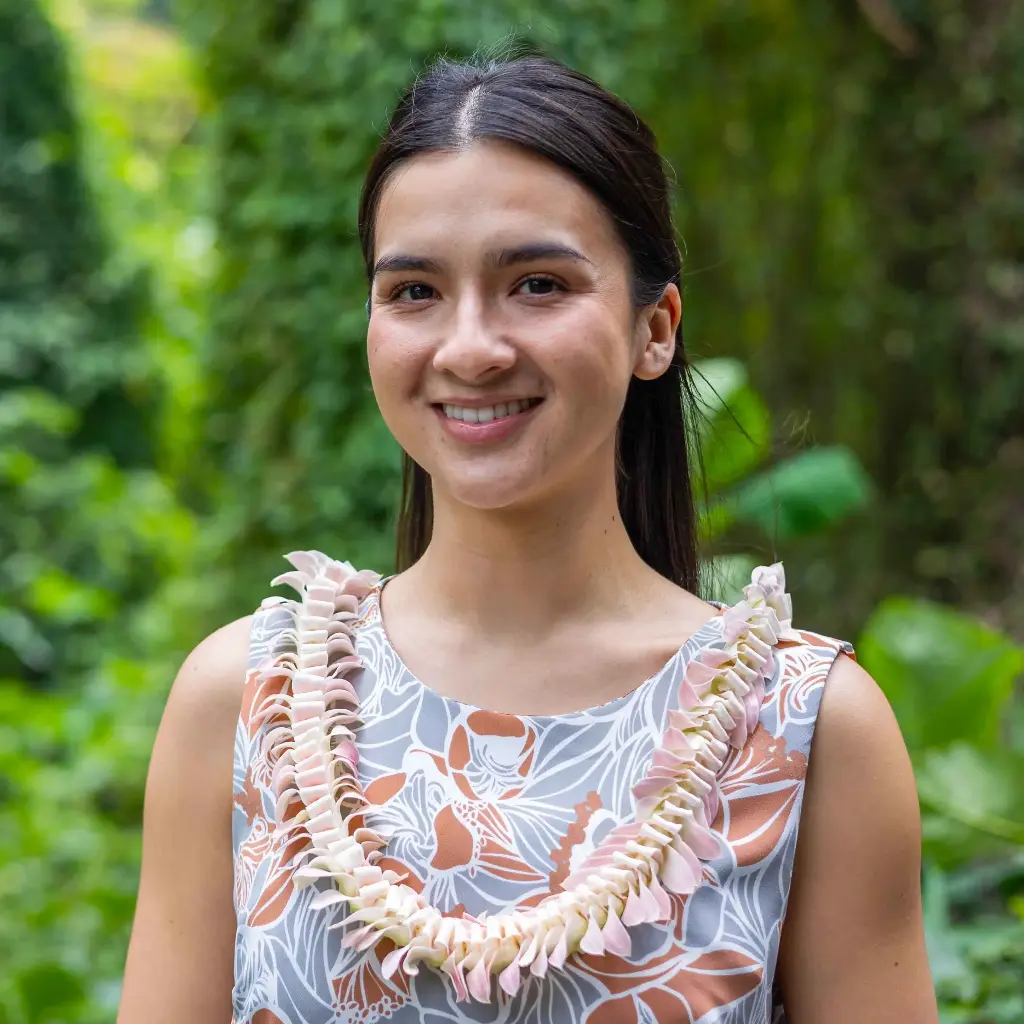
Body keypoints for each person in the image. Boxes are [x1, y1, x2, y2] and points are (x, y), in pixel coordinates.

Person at [118, 53, 938, 1024]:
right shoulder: (241, 706)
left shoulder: (802, 728)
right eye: (414, 291)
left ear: (656, 329)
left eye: (537, 284)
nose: (469, 347)